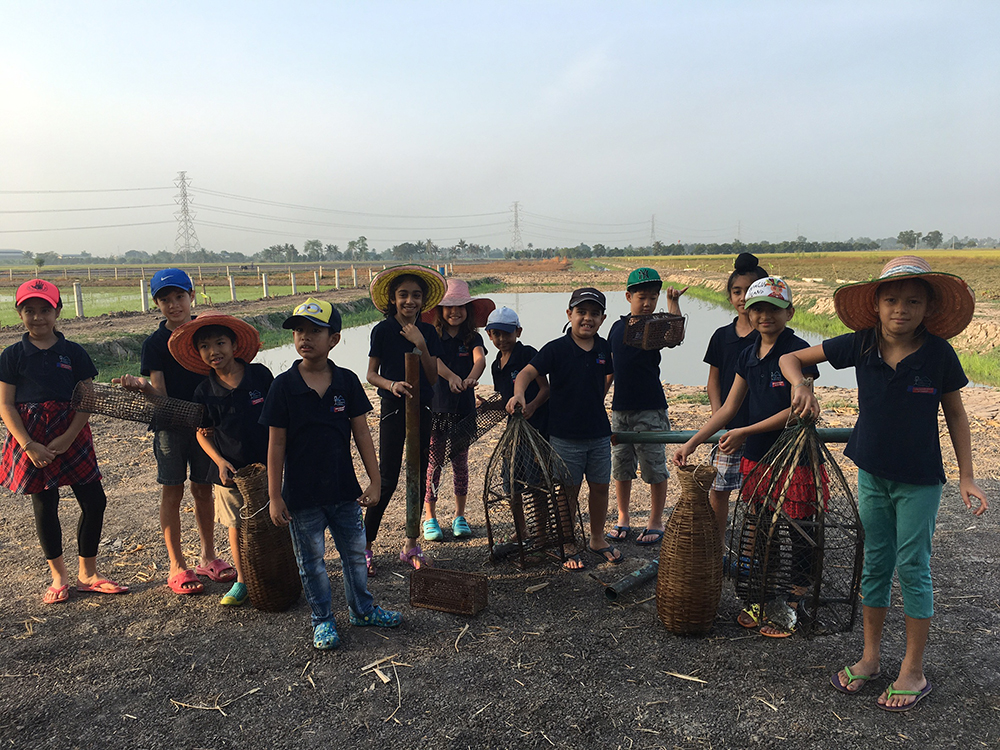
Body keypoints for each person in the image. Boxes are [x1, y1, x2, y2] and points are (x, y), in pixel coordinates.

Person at [779, 256, 988, 711]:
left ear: (927, 308)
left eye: (913, 301)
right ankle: (871, 658)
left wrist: (967, 476)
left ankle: (913, 670)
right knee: (874, 564)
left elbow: (955, 414)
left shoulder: (938, 354)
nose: (901, 309)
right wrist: (803, 385)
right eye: (891, 300)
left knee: (913, 568)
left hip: (919, 480)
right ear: (875, 305)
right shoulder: (861, 344)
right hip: (871, 472)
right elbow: (790, 357)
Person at [674, 276, 819, 636]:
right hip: (758, 458)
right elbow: (728, 408)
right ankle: (764, 597)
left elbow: (797, 411)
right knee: (761, 529)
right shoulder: (746, 353)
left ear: (790, 311)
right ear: (748, 313)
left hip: (794, 457)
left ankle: (794, 600)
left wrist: (745, 432)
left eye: (773, 308)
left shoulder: (799, 351)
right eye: (757, 309)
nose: (764, 315)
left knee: (799, 530)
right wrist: (692, 442)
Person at [261, 298, 401, 650]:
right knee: (312, 563)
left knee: (355, 556)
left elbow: (362, 433)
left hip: (344, 492)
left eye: (314, 331)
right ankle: (322, 620)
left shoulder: (347, 382)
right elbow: (275, 444)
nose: (305, 337)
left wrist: (376, 479)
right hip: (301, 496)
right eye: (298, 331)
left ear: (334, 339)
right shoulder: (283, 386)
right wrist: (274, 495)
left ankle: (362, 609)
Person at [0, 279, 127, 604]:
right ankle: (59, 577)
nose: (38, 317)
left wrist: (69, 436)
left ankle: (88, 573)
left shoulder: (73, 352)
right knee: (45, 505)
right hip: (31, 439)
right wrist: (28, 445)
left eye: (45, 310)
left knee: (94, 500)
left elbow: (88, 397)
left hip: (71, 434)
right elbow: (6, 404)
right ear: (19, 313)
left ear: (58, 311)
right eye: (30, 310)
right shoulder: (12, 355)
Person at [115, 269, 231, 595]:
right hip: (170, 426)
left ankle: (208, 555)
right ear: (157, 304)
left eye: (179, 296)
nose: (173, 304)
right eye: (165, 299)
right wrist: (142, 387)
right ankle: (177, 564)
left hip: (207, 425)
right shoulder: (154, 344)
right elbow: (161, 394)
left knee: (204, 489)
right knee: (172, 491)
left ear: (191, 296)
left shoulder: (203, 332)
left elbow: (222, 373)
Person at [508, 288, 621, 570]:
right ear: (569, 314)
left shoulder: (604, 347)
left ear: (603, 318)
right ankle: (567, 541)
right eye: (581, 312)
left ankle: (596, 538)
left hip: (598, 432)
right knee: (566, 491)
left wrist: (597, 395)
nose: (587, 319)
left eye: (594, 314)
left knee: (600, 487)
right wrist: (519, 394)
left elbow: (609, 374)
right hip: (564, 436)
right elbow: (526, 373)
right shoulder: (556, 348)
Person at [168, 312, 271, 607]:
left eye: (220, 343)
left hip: (268, 467)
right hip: (229, 472)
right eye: (205, 346)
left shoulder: (260, 376)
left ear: (235, 344)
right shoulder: (204, 391)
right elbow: (203, 433)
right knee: (235, 524)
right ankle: (242, 579)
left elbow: (280, 418)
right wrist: (219, 461)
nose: (214, 351)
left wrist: (280, 457)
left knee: (276, 518)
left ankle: (281, 569)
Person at [365, 265, 446, 573]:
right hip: (394, 410)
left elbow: (432, 377)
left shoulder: (427, 331)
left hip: (423, 409)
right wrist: (392, 385)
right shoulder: (383, 330)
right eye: (403, 295)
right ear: (393, 299)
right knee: (386, 479)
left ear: (423, 300)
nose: (409, 301)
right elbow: (371, 374)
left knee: (417, 474)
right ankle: (365, 547)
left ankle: (411, 544)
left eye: (415, 295)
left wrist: (421, 344)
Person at [606, 268, 687, 546]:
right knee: (621, 466)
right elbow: (609, 368)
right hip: (621, 409)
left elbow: (675, 336)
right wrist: (598, 399)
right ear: (628, 296)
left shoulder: (656, 325)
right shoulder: (617, 328)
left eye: (653, 297)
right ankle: (623, 517)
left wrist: (672, 303)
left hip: (650, 407)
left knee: (653, 466)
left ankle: (655, 520)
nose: (648, 303)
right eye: (642, 297)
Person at [420, 279, 493, 542]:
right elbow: (433, 361)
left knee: (460, 464)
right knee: (434, 464)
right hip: (437, 408)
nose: (455, 312)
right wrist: (451, 377)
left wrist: (472, 378)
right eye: (449, 307)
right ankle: (430, 517)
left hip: (463, 410)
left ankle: (459, 516)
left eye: (461, 307)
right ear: (439, 310)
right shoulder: (433, 336)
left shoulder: (473, 336)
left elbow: (480, 359)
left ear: (469, 310)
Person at [703, 253, 768, 548]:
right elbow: (714, 380)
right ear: (730, 296)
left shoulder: (769, 335)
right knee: (719, 490)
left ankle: (751, 551)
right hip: (729, 428)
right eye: (737, 291)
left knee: (756, 495)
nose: (743, 298)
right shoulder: (721, 336)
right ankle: (717, 545)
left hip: (763, 429)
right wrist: (720, 418)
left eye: (750, 290)